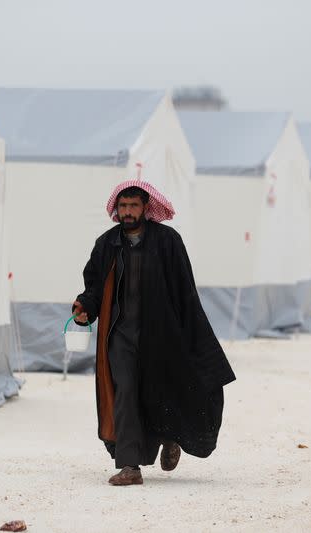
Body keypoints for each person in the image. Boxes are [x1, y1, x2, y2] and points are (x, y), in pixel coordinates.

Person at [72, 179, 235, 486]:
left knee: (162, 391)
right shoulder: (107, 244)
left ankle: (171, 437)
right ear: (116, 210)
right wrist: (84, 307)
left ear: (146, 208)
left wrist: (192, 335)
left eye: (133, 206)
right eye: (122, 206)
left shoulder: (167, 241)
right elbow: (94, 288)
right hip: (119, 336)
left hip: (161, 335)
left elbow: (184, 291)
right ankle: (130, 466)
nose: (127, 212)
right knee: (125, 393)